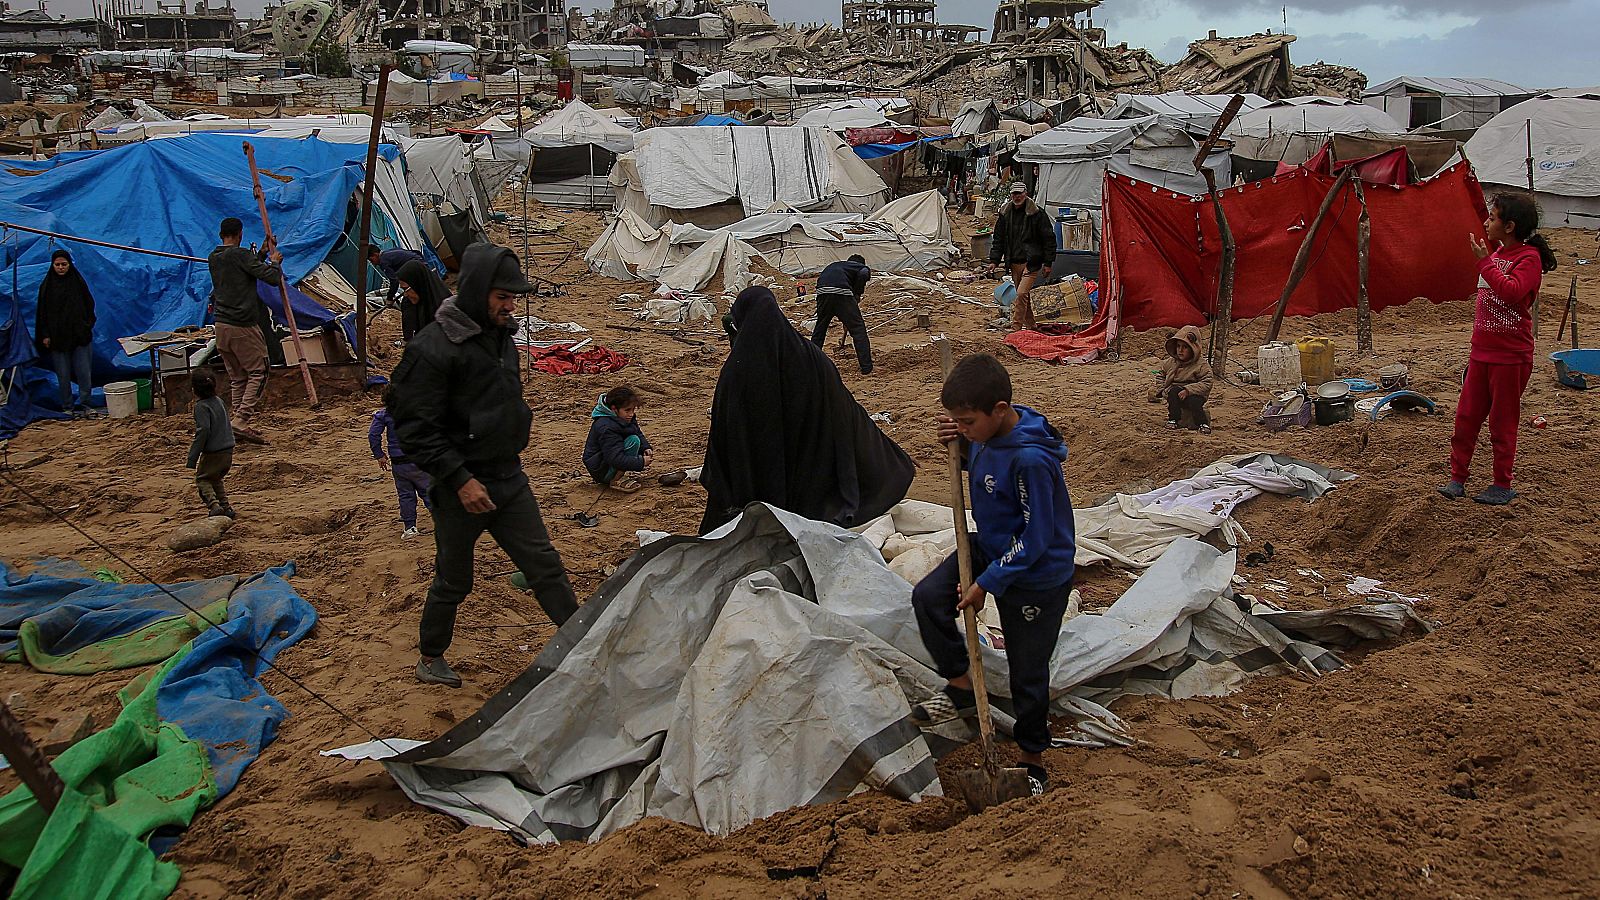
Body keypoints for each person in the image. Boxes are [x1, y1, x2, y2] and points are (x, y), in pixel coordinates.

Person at [389, 242, 579, 687]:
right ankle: (431, 656)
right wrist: (458, 478)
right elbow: (413, 428)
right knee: (454, 580)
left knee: (544, 566)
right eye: (502, 297)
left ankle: (582, 641)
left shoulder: (502, 337)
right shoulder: (434, 348)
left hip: (508, 477)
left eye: (513, 298)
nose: (510, 306)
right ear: (476, 292)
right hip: (460, 491)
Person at [910, 352, 1075, 796]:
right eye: (955, 422)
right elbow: (986, 466)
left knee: (1027, 669)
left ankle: (1032, 758)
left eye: (966, 422)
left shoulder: (1031, 461)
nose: (961, 428)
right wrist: (962, 446)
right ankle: (962, 688)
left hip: (1036, 572)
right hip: (993, 544)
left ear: (1000, 410)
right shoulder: (984, 434)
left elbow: (1037, 535)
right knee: (928, 598)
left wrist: (989, 581)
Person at [698, 286, 914, 534]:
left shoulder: (736, 374)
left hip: (756, 490)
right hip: (814, 487)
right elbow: (845, 413)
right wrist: (886, 455)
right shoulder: (811, 358)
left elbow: (725, 437)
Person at [1438, 192, 1558, 505]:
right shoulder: (1499, 255)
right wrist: (1486, 261)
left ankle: (1501, 484)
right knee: (1466, 418)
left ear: (1510, 226)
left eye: (1493, 218)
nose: (1487, 223)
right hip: (1482, 353)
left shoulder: (1527, 259)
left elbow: (1511, 292)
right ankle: (1457, 479)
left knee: (1501, 423)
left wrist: (1483, 261)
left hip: (1510, 357)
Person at [208, 217, 281, 444]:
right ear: (240, 234)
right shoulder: (239, 255)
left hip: (221, 326)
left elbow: (245, 271)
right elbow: (272, 278)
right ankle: (241, 419)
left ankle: (236, 422)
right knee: (259, 371)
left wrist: (260, 254)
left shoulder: (215, 257)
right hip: (242, 325)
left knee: (238, 377)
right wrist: (275, 261)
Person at [33, 249, 97, 416]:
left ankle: (86, 405)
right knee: (63, 375)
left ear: (69, 265)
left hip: (80, 336)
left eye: (64, 264)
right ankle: (67, 407)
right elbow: (42, 313)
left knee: (84, 373)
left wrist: (86, 326)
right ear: (52, 265)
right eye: (57, 265)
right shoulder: (47, 287)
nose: (61, 268)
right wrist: (45, 335)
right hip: (57, 338)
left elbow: (89, 305)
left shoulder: (78, 283)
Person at [988, 182, 1056, 332]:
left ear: (1026, 193)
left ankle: (1016, 327)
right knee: (1023, 297)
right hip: (1014, 262)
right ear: (1011, 195)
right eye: (1014, 194)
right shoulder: (1005, 213)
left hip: (1031, 262)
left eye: (1019, 193)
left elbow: (1048, 239)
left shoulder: (1037, 214)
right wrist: (994, 260)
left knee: (1021, 293)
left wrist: (1048, 262)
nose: (1017, 196)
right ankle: (1031, 326)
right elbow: (999, 239)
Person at [369, 387, 433, 538]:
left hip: (398, 463)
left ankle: (409, 528)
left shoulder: (384, 415)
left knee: (405, 495)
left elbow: (373, 435)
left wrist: (379, 455)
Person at [810, 254, 874, 375]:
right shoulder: (860, 267)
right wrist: (857, 294)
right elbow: (864, 273)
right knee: (858, 330)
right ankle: (867, 367)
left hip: (822, 293)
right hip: (842, 293)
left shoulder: (836, 266)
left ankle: (810, 363)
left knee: (820, 329)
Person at [583, 385, 653, 492]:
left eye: (633, 410)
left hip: (607, 460)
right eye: (627, 410)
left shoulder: (623, 417)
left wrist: (645, 447)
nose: (631, 414)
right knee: (633, 441)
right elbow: (615, 458)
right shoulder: (606, 427)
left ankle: (617, 474)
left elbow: (636, 430)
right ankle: (616, 479)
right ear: (614, 409)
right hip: (601, 470)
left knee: (634, 439)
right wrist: (641, 462)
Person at [185, 370, 236, 519]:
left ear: (194, 389)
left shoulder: (201, 407)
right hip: (228, 448)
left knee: (203, 479)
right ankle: (226, 507)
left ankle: (214, 505)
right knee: (215, 479)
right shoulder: (219, 401)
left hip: (214, 452)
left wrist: (192, 458)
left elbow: (203, 431)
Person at [1148, 325, 1213, 434]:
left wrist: (1188, 390)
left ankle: (1202, 423)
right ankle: (1173, 419)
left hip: (1195, 394)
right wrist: (1162, 389)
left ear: (1194, 348)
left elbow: (1207, 382)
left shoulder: (1201, 365)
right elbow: (1161, 374)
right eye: (1178, 346)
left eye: (1185, 347)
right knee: (1173, 393)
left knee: (1195, 402)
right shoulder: (1171, 362)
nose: (1180, 350)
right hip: (1175, 392)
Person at [393, 258, 448, 343]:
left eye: (406, 289)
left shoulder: (442, 308)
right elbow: (409, 334)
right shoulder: (409, 303)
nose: (405, 294)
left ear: (418, 284)